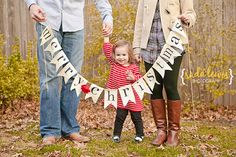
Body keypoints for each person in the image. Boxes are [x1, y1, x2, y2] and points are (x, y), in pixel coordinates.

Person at [25, 0, 113, 145]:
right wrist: (31, 4)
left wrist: (107, 16)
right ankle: (50, 130)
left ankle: (69, 128)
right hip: (47, 21)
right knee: (49, 77)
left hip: (75, 24)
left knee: (73, 78)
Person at [133, 0, 196, 146]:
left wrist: (188, 19)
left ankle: (174, 132)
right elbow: (139, 20)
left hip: (171, 45)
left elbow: (191, 13)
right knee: (154, 88)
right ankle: (161, 131)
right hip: (149, 47)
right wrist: (137, 48)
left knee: (170, 86)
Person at [103, 36, 144, 143]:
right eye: (118, 55)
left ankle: (140, 134)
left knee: (136, 117)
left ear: (129, 55)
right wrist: (106, 38)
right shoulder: (114, 64)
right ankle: (116, 135)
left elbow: (140, 79)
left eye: (124, 55)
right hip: (120, 98)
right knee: (119, 117)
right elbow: (108, 51)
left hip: (132, 98)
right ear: (114, 56)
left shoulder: (133, 67)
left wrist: (133, 78)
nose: (121, 57)